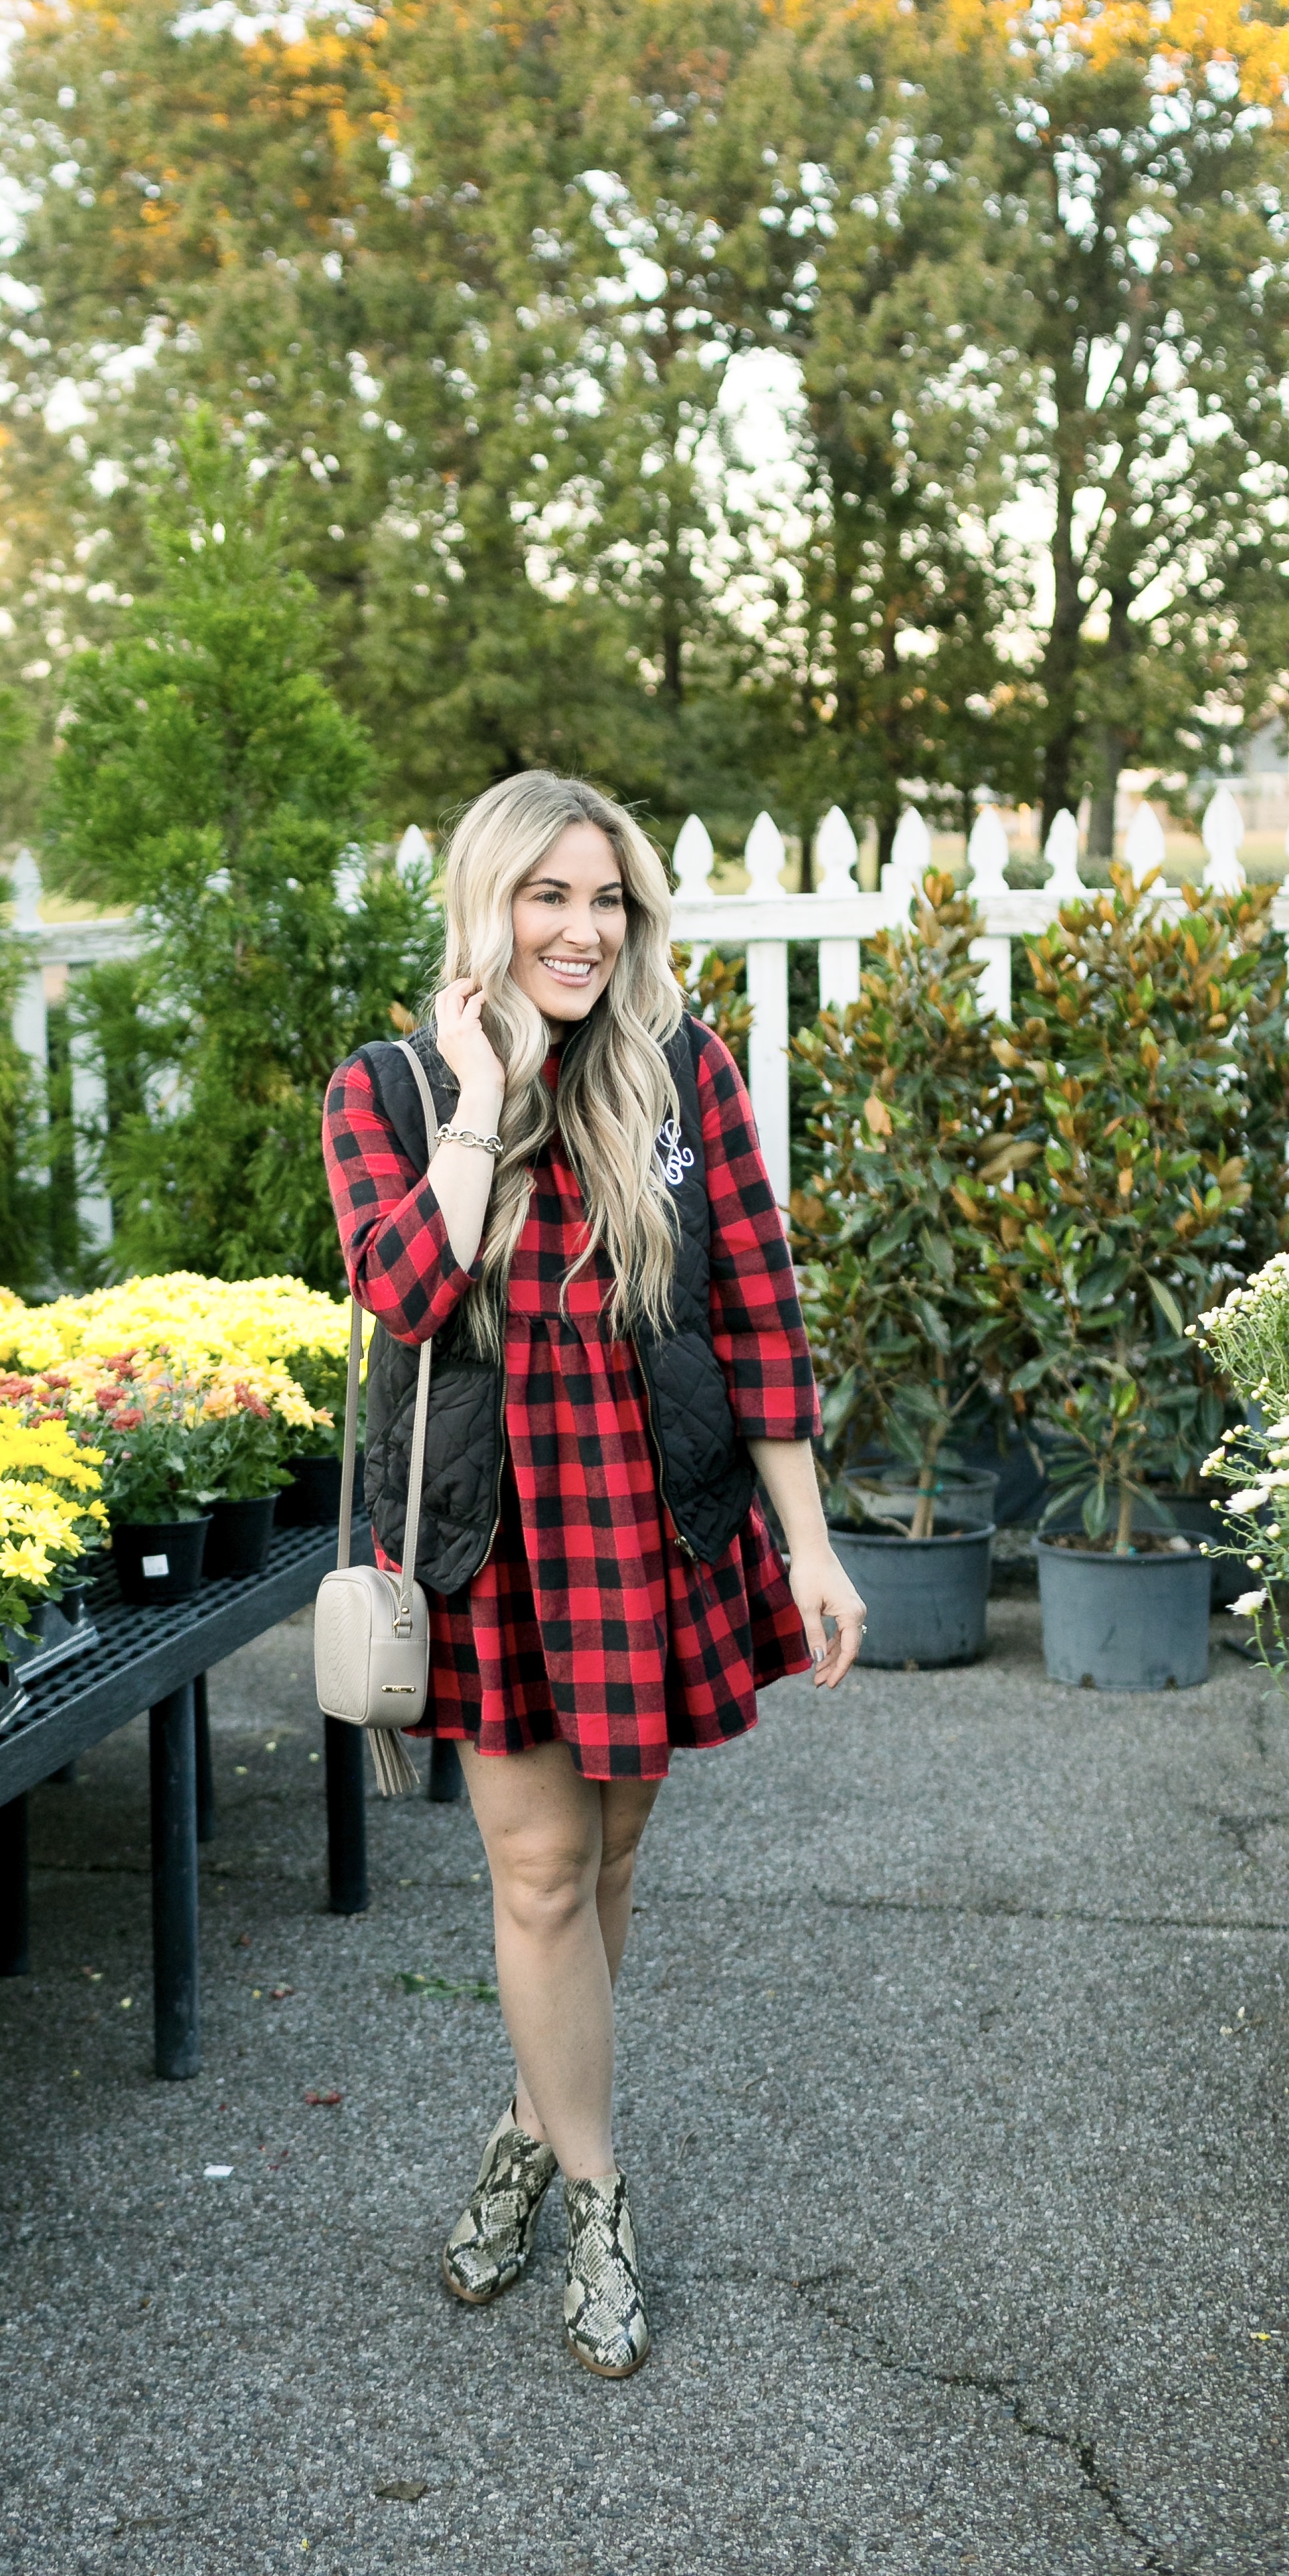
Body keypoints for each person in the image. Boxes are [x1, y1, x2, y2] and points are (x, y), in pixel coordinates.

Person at [321, 770, 865, 2379]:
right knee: (539, 1874)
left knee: (607, 1860)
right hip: (494, 1536)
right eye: (545, 897)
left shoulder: (681, 1072)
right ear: (486, 906)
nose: (578, 928)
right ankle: (596, 2195)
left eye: (603, 899)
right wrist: (485, 1100)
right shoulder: (394, 1087)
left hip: (656, 1522)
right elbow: (406, 1291)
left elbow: (756, 1312)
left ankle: (517, 2133)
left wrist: (810, 1544)